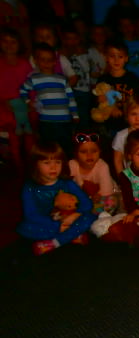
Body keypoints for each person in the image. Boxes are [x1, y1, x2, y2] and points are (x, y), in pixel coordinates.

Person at [17, 140, 96, 255]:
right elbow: (31, 215)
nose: (53, 167)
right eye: (47, 163)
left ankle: (55, 242)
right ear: (35, 165)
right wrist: (57, 225)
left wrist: (74, 215)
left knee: (89, 217)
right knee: (28, 227)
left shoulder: (67, 183)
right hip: (45, 223)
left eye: (58, 162)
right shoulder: (29, 187)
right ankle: (72, 236)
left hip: (68, 219)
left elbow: (87, 203)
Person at [20, 43, 78, 157]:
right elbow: (23, 90)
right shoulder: (34, 78)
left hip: (64, 120)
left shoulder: (62, 79)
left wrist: (75, 114)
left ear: (55, 62)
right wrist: (29, 102)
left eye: (50, 60)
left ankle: (66, 166)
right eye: (43, 60)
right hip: (46, 121)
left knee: (66, 147)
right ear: (36, 61)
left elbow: (70, 97)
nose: (46, 63)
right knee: (48, 148)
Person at [0, 27, 33, 172]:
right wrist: (4, 101)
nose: (9, 45)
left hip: (24, 103)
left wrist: (30, 102)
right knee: (13, 132)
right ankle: (17, 161)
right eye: (5, 41)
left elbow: (31, 84)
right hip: (5, 106)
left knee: (29, 132)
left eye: (13, 42)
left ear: (19, 44)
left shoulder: (24, 64)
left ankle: (31, 161)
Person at [97, 40, 139, 134]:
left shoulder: (133, 79)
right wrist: (100, 99)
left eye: (120, 57)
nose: (116, 60)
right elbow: (97, 100)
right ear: (106, 57)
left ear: (126, 58)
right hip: (110, 124)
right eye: (112, 56)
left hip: (129, 124)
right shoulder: (103, 80)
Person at [69, 132, 119, 214]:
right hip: (83, 196)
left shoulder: (102, 166)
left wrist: (98, 195)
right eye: (83, 152)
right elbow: (67, 185)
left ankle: (95, 215)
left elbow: (107, 191)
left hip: (106, 193)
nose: (89, 155)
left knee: (111, 202)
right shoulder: (72, 164)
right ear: (76, 153)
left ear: (100, 152)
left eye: (94, 151)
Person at [60, 24, 91, 129]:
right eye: (69, 39)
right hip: (70, 90)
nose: (72, 42)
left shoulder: (83, 53)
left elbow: (87, 69)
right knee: (71, 116)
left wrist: (79, 55)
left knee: (83, 115)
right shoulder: (62, 55)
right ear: (64, 40)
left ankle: (83, 135)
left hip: (84, 90)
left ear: (79, 39)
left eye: (75, 39)